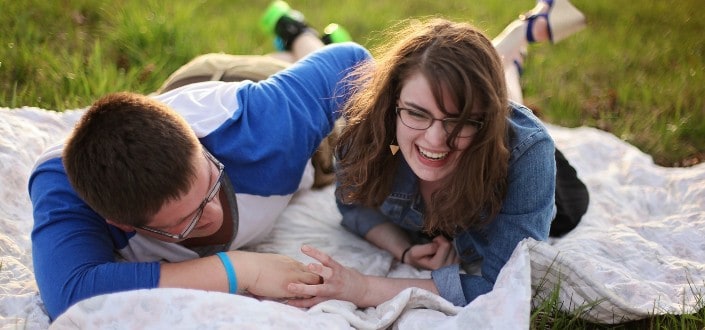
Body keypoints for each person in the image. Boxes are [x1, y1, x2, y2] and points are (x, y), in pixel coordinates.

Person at [28, 2, 371, 320]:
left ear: (198, 142)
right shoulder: (66, 184)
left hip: (234, 78)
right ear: (122, 223)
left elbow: (352, 61)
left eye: (210, 182)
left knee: (330, 120)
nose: (214, 212)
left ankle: (298, 33)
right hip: (179, 90)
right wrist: (239, 270)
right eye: (187, 221)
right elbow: (72, 296)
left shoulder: (260, 122)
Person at [285, 0, 588, 308]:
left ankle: (516, 45)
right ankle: (513, 49)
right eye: (417, 114)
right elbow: (352, 204)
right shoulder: (368, 127)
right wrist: (403, 249)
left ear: (485, 120)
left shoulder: (525, 153)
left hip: (525, 169)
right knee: (453, 89)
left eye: (460, 120)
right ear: (392, 105)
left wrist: (363, 288)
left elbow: (503, 286)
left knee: (491, 98)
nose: (435, 139)